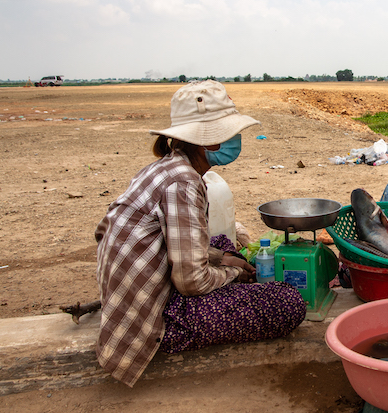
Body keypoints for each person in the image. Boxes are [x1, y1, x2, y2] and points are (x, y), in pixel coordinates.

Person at [95, 80, 306, 387]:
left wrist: (224, 258)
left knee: (221, 245)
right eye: (231, 134)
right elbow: (192, 282)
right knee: (287, 301)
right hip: (153, 316)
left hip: (131, 291)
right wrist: (232, 272)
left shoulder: (164, 169)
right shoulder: (183, 184)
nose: (236, 140)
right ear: (211, 142)